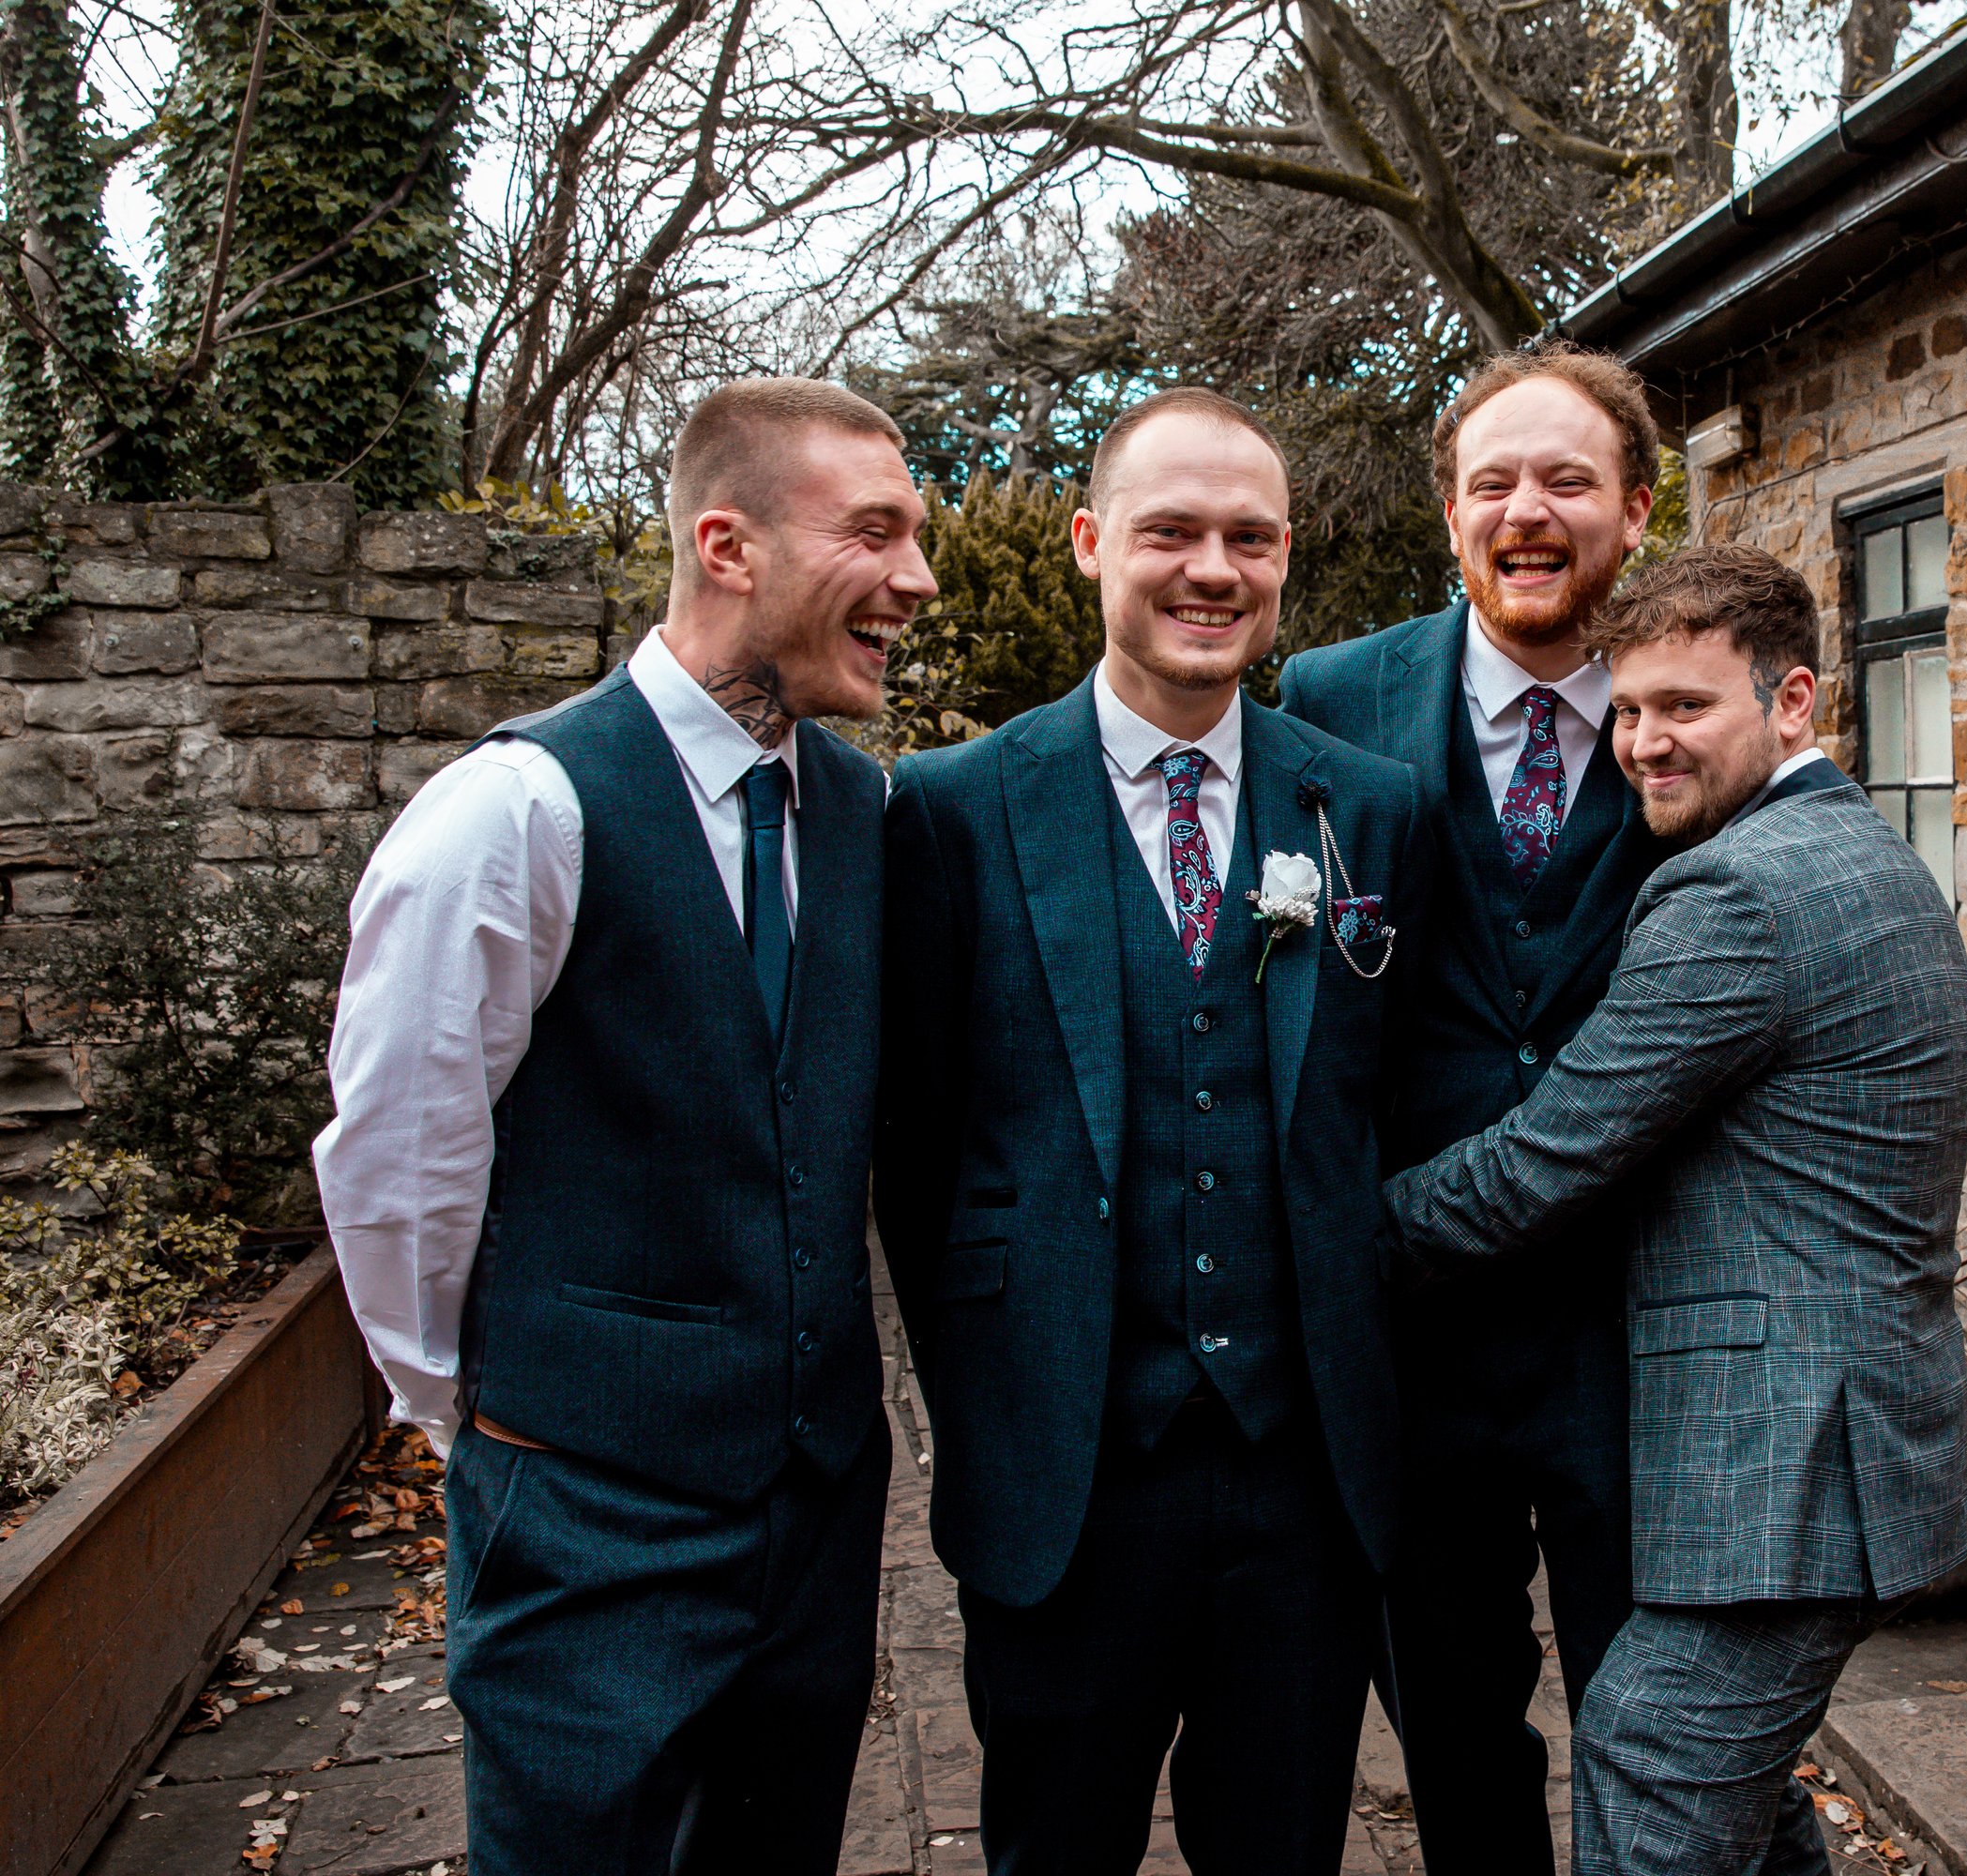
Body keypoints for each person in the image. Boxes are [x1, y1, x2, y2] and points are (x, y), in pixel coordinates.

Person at [314, 378, 937, 1875]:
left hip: (815, 1514)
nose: (918, 578)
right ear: (729, 548)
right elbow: (399, 1162)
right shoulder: (516, 811)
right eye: (878, 532)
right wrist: (495, 1417)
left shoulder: (865, 819)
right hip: (582, 1512)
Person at [875, 387, 1422, 1874]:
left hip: (1303, 1486)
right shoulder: (950, 809)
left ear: (1286, 556)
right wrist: (1001, 1391)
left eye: (1249, 537)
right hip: (1066, 1480)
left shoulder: (1365, 812)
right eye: (1170, 530)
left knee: (1285, 1849)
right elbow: (914, 1160)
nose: (1211, 569)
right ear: (1087, 543)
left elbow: (1387, 1109)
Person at [1382, 544, 1967, 1876]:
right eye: (1632, 709)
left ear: (1793, 702)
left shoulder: (1741, 894)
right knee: (1746, 1804)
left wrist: (1323, 1248)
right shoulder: (1842, 849)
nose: (1647, 743)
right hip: (1841, 1441)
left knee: (1651, 1748)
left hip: (1793, 1461)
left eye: (1687, 708)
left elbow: (1548, 1155)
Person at [1277, 339, 1668, 1868]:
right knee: (1447, 1719)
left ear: (1634, 511)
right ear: (1449, 515)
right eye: (1492, 481)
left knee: (1660, 1714)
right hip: (1406, 1328)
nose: (1528, 508)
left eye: (1567, 478)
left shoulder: (1686, 698)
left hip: (1632, 1325)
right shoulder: (1328, 698)